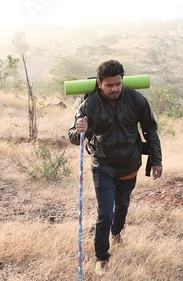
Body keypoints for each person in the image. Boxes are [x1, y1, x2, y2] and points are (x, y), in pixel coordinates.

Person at [68, 60, 163, 276]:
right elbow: (75, 137)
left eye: (118, 84)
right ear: (100, 84)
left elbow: (150, 129)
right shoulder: (89, 105)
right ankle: (101, 257)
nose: (115, 89)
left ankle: (117, 232)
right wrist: (78, 130)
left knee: (121, 206)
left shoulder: (136, 99)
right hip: (103, 164)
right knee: (105, 213)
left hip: (130, 163)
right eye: (109, 85)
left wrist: (156, 160)